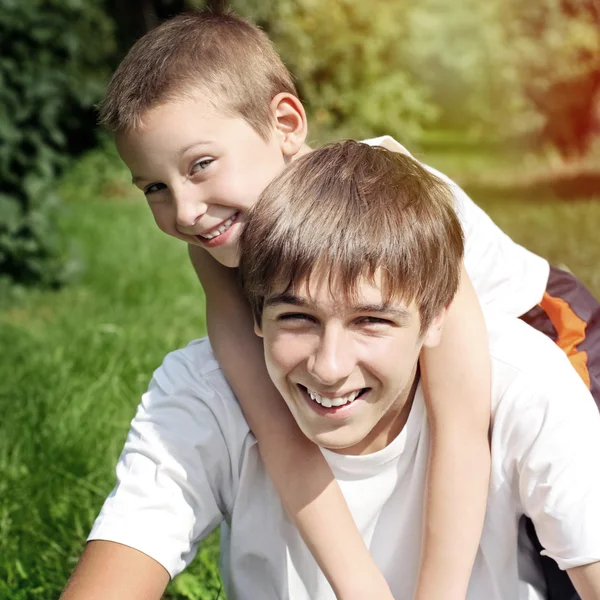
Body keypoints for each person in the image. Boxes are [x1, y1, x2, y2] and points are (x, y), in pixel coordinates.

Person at [70, 10, 600, 598]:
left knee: (567, 526)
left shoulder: (397, 203)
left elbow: (460, 427)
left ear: (286, 123)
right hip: (398, 345)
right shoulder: (218, 253)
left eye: (200, 165)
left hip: (551, 328)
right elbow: (277, 431)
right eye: (155, 188)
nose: (186, 211)